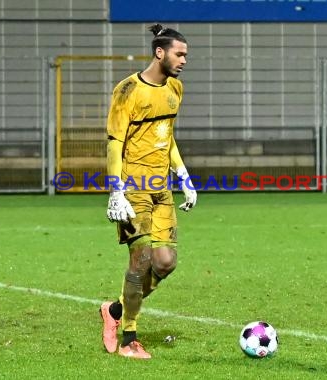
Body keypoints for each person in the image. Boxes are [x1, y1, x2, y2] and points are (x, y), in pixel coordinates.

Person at [99, 23, 197, 360]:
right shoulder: (127, 90)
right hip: (132, 188)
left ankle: (113, 310)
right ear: (160, 52)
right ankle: (129, 339)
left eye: (185, 54)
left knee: (166, 262)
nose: (184, 60)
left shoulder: (176, 89)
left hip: (161, 189)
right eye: (179, 53)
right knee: (139, 261)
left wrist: (182, 175)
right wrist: (115, 192)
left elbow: (165, 137)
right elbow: (115, 144)